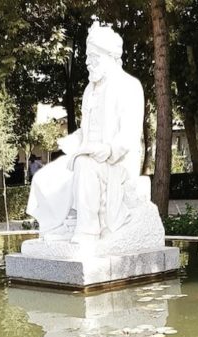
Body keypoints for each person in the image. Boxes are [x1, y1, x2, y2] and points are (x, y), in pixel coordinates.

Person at [26, 22, 144, 244]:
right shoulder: (90, 89)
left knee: (84, 165)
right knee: (43, 178)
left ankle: (87, 230)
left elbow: (129, 134)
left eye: (93, 57)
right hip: (88, 153)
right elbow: (87, 130)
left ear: (110, 56)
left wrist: (108, 150)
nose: (88, 62)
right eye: (87, 56)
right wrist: (72, 141)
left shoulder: (129, 86)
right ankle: (60, 225)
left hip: (116, 160)